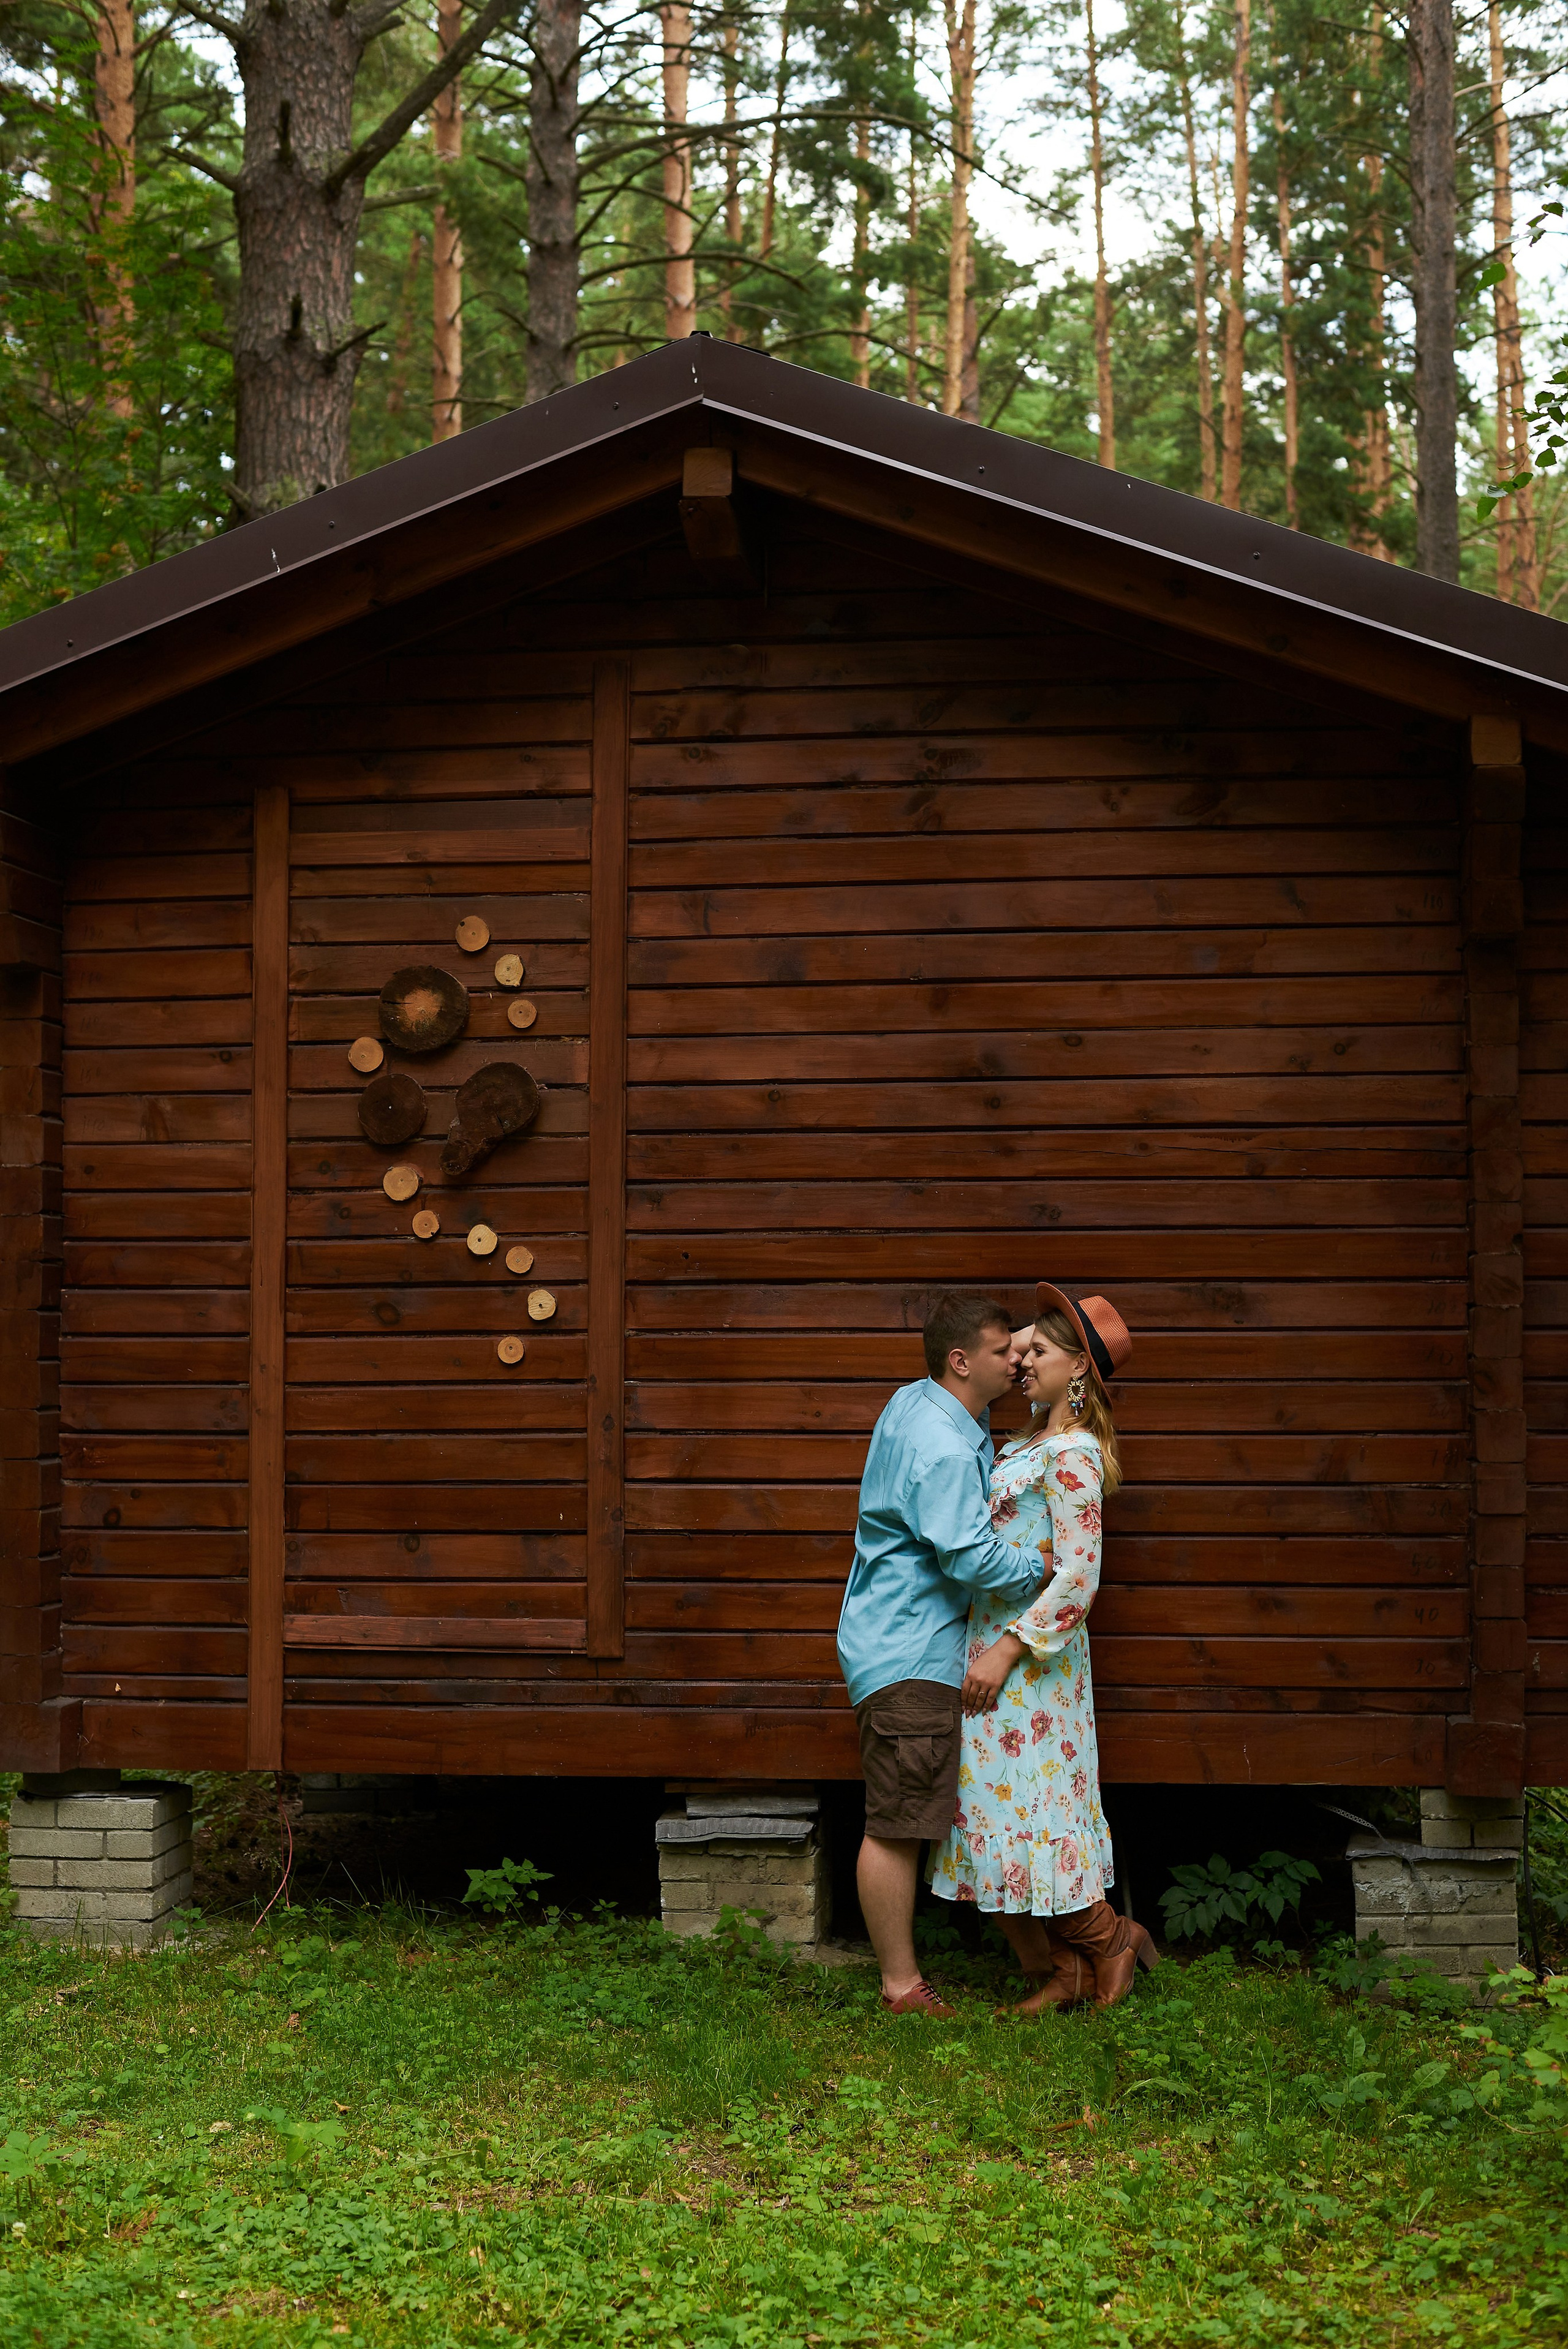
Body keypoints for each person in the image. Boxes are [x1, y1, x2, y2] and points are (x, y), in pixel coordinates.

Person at [927, 1283, 1158, 2013]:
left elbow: (1080, 1572)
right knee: (989, 1815)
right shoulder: (1025, 1442)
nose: (1022, 1361)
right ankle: (1062, 1971)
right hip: (988, 1655)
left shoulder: (1073, 1453)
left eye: (1039, 1352)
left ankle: (1107, 1938)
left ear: (1078, 1373)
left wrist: (1006, 1650)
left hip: (1032, 1670)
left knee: (1033, 1812)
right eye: (1020, 1349)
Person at [838, 1292, 1044, 2016]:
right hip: (911, 1650)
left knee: (905, 1811)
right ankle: (901, 1986)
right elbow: (966, 1556)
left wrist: (1006, 1342)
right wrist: (1038, 1567)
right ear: (961, 1362)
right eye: (1004, 1352)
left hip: (884, 1636)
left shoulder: (924, 1401)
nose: (1018, 1359)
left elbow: (975, 1387)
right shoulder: (942, 1447)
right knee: (898, 1822)